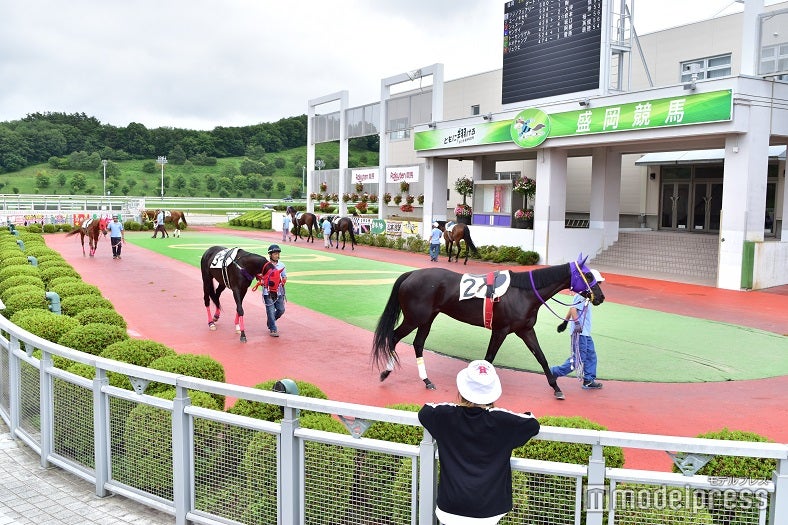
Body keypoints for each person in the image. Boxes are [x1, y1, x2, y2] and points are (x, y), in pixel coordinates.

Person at [418, 360, 540, 524]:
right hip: (489, 511)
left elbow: (425, 411)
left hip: (450, 507)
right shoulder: (503, 421)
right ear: (493, 392)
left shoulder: (444, 416)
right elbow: (532, 423)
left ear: (462, 390)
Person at [551, 269, 605, 390]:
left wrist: (565, 322)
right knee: (578, 359)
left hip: (585, 333)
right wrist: (576, 324)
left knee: (591, 355)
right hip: (580, 333)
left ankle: (588, 380)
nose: (599, 286)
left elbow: (572, 309)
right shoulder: (581, 295)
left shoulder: (586, 296)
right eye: (598, 283)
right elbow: (574, 309)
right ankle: (555, 371)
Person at [264, 244, 287, 337]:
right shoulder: (265, 265)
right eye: (275, 254)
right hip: (268, 292)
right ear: (270, 255)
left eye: (278, 253)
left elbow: (284, 276)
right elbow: (260, 276)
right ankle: (273, 329)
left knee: (281, 310)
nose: (277, 255)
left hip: (279, 292)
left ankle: (270, 320)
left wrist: (284, 280)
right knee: (270, 310)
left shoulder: (281, 265)